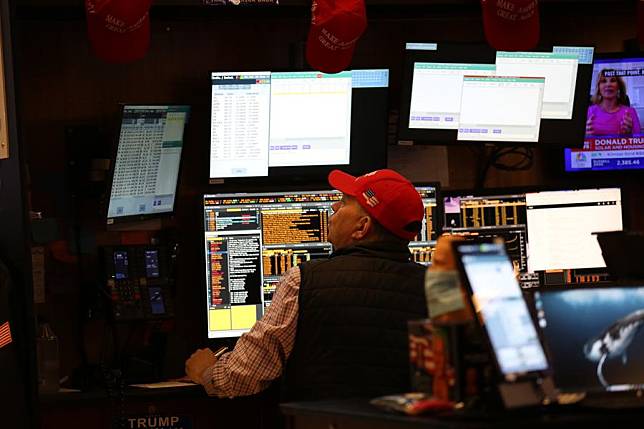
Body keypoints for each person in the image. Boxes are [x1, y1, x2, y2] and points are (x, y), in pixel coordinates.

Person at [185, 168, 428, 402]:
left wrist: (207, 372)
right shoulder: (434, 287)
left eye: (343, 203)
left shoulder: (303, 281)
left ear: (361, 227)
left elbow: (243, 377)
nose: (333, 206)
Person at [586, 69, 641, 137]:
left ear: (619, 86)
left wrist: (629, 135)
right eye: (604, 81)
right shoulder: (589, 111)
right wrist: (586, 136)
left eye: (612, 80)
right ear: (599, 88)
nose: (608, 84)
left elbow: (640, 142)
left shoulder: (631, 112)